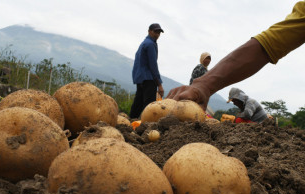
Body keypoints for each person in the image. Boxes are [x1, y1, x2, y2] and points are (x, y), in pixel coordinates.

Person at [167, 1, 305, 111]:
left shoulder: (250, 104)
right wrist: (204, 85)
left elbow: (267, 44)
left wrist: (204, 85)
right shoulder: (199, 68)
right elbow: (268, 43)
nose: (235, 104)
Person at [130, 23, 165, 118]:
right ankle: (145, 125)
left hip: (141, 77)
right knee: (149, 105)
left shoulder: (144, 43)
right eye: (155, 31)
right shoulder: (150, 44)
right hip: (148, 78)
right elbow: (153, 65)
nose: (157, 34)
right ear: (149, 31)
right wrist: (159, 84)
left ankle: (130, 122)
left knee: (138, 102)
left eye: (159, 32)